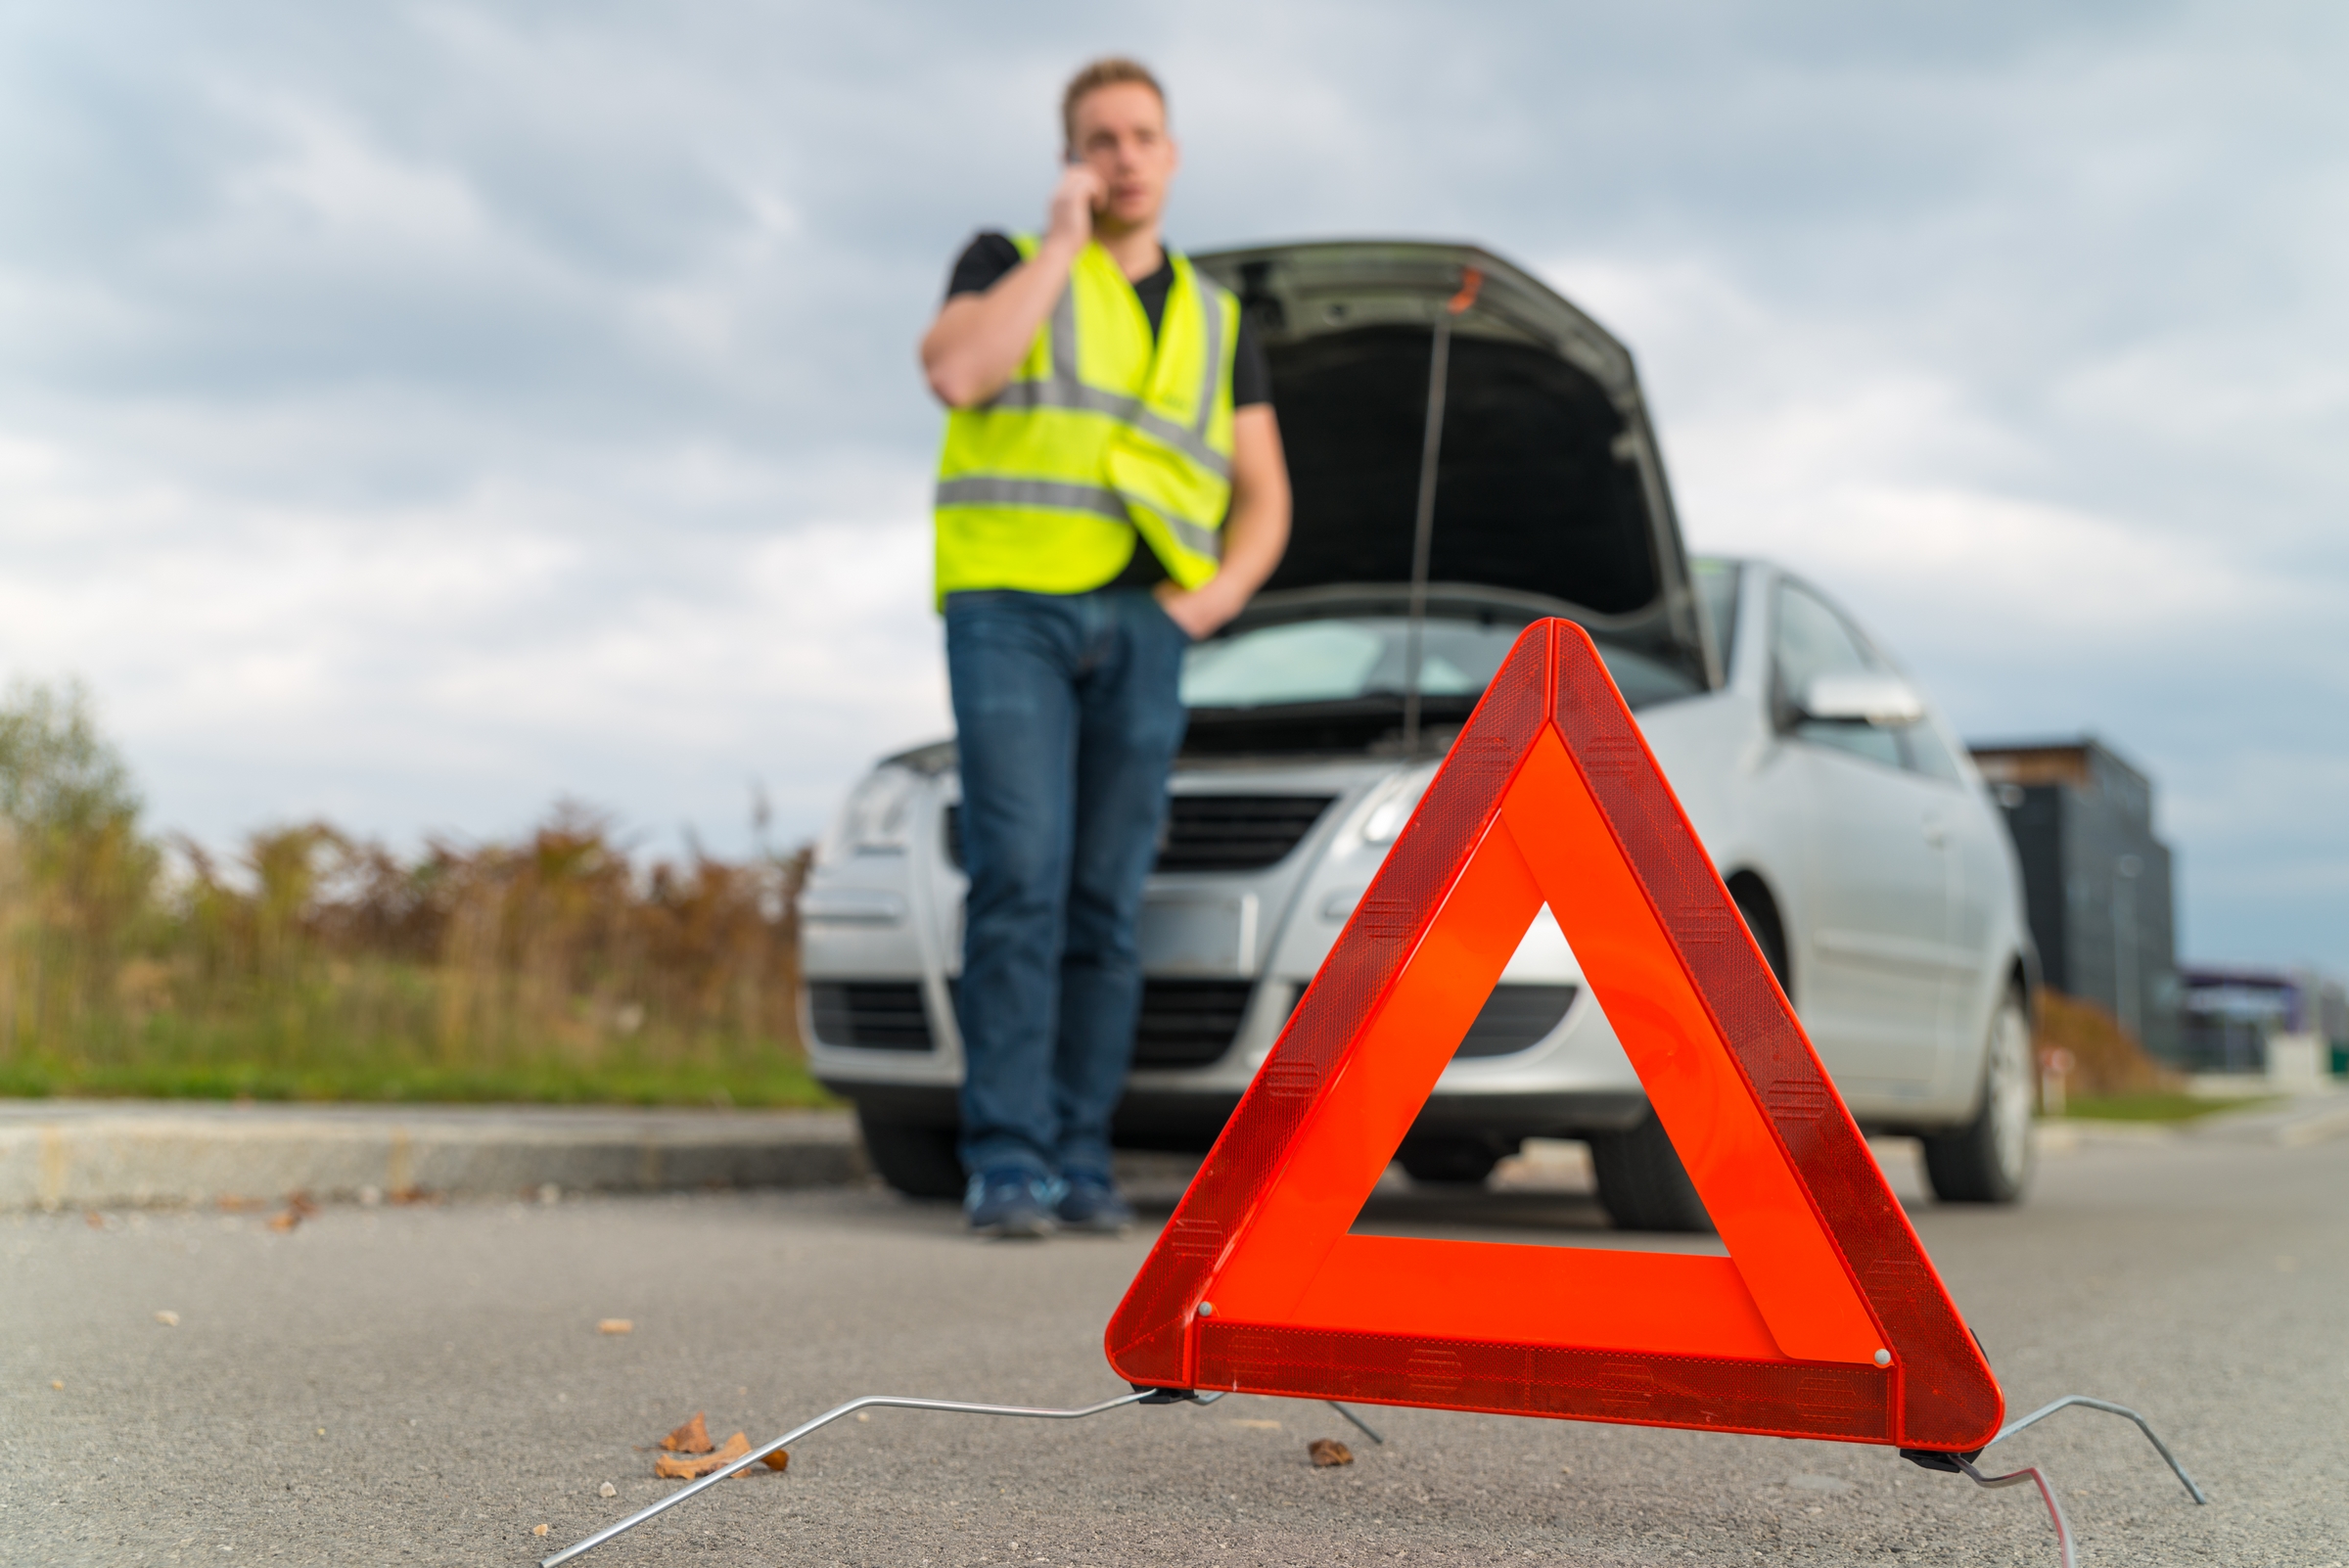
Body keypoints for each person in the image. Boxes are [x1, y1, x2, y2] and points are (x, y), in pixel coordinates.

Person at [917, 58, 1291, 1238]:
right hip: (1011, 610)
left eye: (1141, 136)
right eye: (1099, 140)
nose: (1124, 155)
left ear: (1171, 155)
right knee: (1019, 876)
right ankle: (1008, 1156)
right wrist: (1058, 244)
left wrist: (1206, 603)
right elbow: (962, 370)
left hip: (1145, 623)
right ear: (1073, 160)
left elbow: (1266, 493)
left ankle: (1082, 1152)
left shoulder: (1219, 318)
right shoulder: (1005, 266)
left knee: (1105, 898)